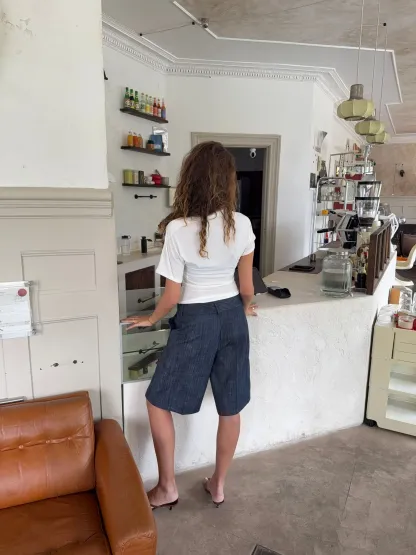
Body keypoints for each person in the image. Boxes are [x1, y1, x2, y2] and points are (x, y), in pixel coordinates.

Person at [123, 141, 257, 510]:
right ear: (227, 182)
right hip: (232, 318)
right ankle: (218, 485)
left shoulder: (178, 229)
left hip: (196, 321)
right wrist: (245, 307)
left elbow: (171, 296)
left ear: (190, 180)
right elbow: (247, 288)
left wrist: (151, 318)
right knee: (230, 407)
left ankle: (167, 487)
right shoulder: (242, 224)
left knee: (156, 402)